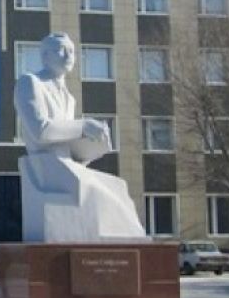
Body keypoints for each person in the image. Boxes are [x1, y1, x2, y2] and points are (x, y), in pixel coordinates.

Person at [14, 32, 145, 240]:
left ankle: (128, 243)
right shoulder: (29, 82)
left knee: (119, 187)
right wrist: (83, 126)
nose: (69, 56)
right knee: (104, 195)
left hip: (68, 163)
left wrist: (92, 148)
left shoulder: (69, 98)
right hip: (46, 163)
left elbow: (67, 139)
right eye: (62, 50)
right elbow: (40, 130)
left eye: (72, 51)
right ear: (45, 56)